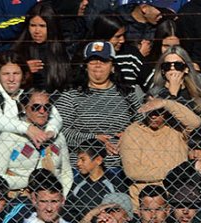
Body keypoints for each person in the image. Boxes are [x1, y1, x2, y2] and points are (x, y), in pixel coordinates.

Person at [55, 41, 144, 174]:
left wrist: (129, 136)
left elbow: (143, 127)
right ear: (85, 66)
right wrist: (93, 140)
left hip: (120, 167)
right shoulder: (71, 95)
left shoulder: (128, 95)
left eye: (103, 60)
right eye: (92, 61)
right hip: (80, 169)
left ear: (112, 66)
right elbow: (59, 132)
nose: (97, 64)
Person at [0, 89, 74, 196]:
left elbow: (66, 173)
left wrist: (63, 198)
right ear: (24, 108)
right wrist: (34, 181)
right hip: (20, 196)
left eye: (47, 107)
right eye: (36, 107)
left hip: (54, 198)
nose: (42, 111)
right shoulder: (10, 135)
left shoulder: (58, 136)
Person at [10, 2, 71, 92]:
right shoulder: (17, 51)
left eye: (42, 26)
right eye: (33, 25)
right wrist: (23, 71)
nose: (37, 31)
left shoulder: (64, 50)